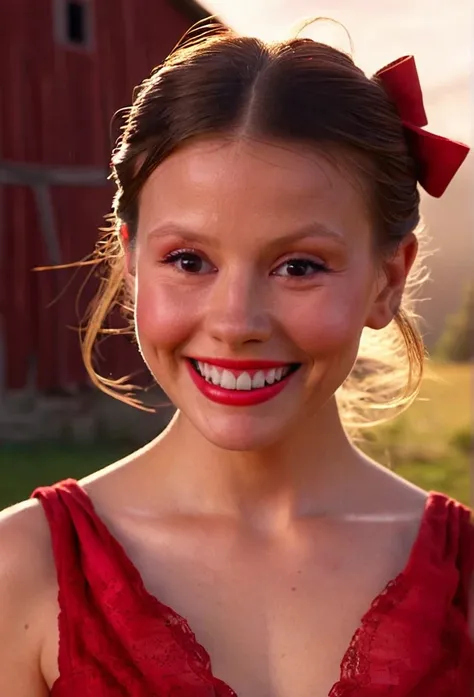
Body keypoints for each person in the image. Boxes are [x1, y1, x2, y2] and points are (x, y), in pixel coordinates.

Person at [0, 24, 472, 697]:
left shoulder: (465, 581)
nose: (235, 322)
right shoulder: (20, 574)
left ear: (389, 279)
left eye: (299, 266)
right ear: (130, 262)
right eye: (189, 260)